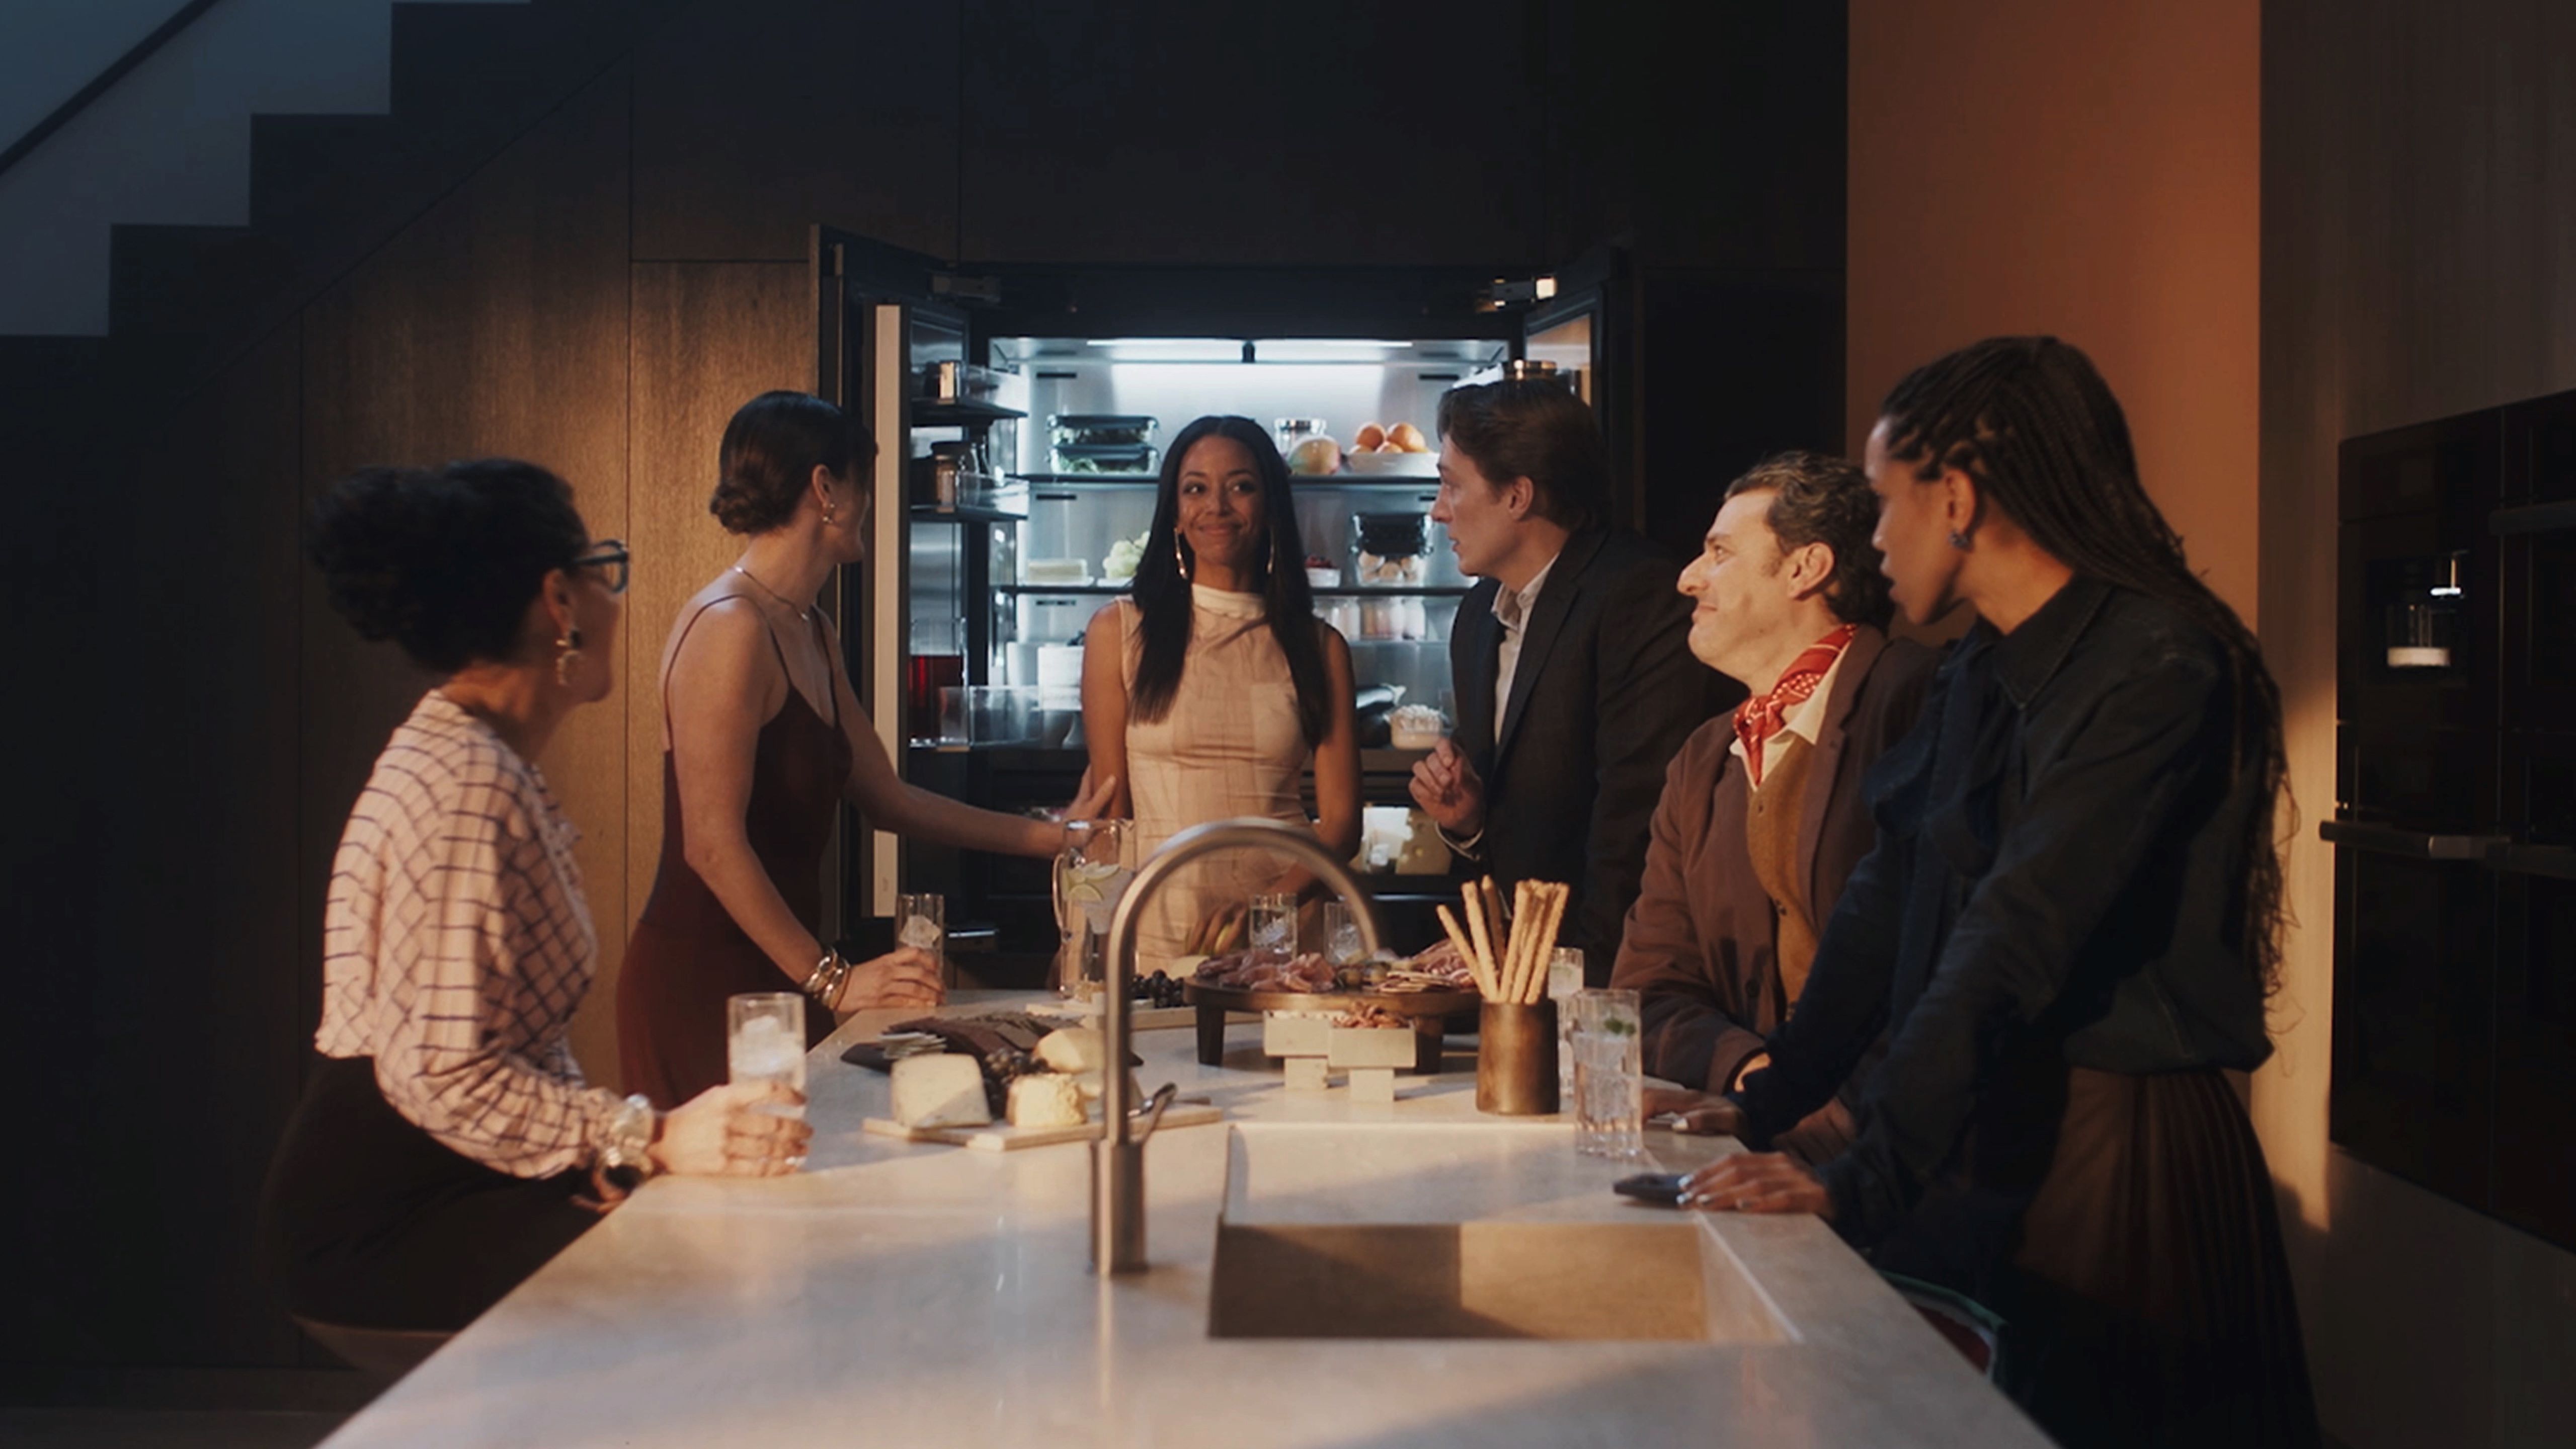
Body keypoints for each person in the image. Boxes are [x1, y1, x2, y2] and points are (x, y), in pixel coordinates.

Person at [1672, 338, 2318, 1447]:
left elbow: (2015, 932)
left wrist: (1866, 1175)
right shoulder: (1981, 662)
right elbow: (1885, 901)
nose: (1871, 539)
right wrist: (1764, 1106)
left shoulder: (2156, 662)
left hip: (2117, 1158)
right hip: (1994, 1136)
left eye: (1882, 503)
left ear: (1957, 499)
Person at [261, 460, 807, 1334]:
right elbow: (443, 1072)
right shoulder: (465, 784)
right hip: (391, 1220)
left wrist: (607, 1157)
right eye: (604, 569)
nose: (613, 597)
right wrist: (646, 1139)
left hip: (455, 1182)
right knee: (719, 1286)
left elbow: (503, 1047)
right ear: (560, 601)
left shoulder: (475, 755)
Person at [619, 392, 1112, 1108]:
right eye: (864, 485)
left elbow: (889, 797)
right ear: (826, 489)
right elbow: (712, 846)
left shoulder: (810, 628)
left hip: (783, 979)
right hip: (705, 983)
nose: (872, 505)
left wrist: (1057, 840)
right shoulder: (729, 626)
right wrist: (835, 980)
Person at [1611, 452, 1934, 1164]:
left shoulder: (1914, 703)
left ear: (1804, 568)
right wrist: (1752, 1075)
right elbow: (1650, 990)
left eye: (1719, 553)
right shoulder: (1704, 759)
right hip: (1762, 1138)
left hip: (1912, 1158)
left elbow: (1946, 967)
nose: (1688, 577)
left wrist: (1834, 1115)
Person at [1409, 378, 1725, 983]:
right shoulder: (1478, 616)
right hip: (1518, 976)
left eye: (1451, 484)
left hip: (1617, 977)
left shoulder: (1636, 594)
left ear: (1517, 496)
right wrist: (1468, 824)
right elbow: (1509, 830)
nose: (1437, 508)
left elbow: (1634, 821)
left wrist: (1584, 997)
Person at [1082, 416, 1361, 963]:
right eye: (1195, 489)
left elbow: (1343, 825)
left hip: (1284, 928)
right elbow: (1109, 816)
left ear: (1270, 506)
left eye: (1241, 486)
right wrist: (1087, 935)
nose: (1217, 506)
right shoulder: (1117, 632)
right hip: (1156, 923)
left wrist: (1268, 906)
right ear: (1175, 515)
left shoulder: (1319, 646)